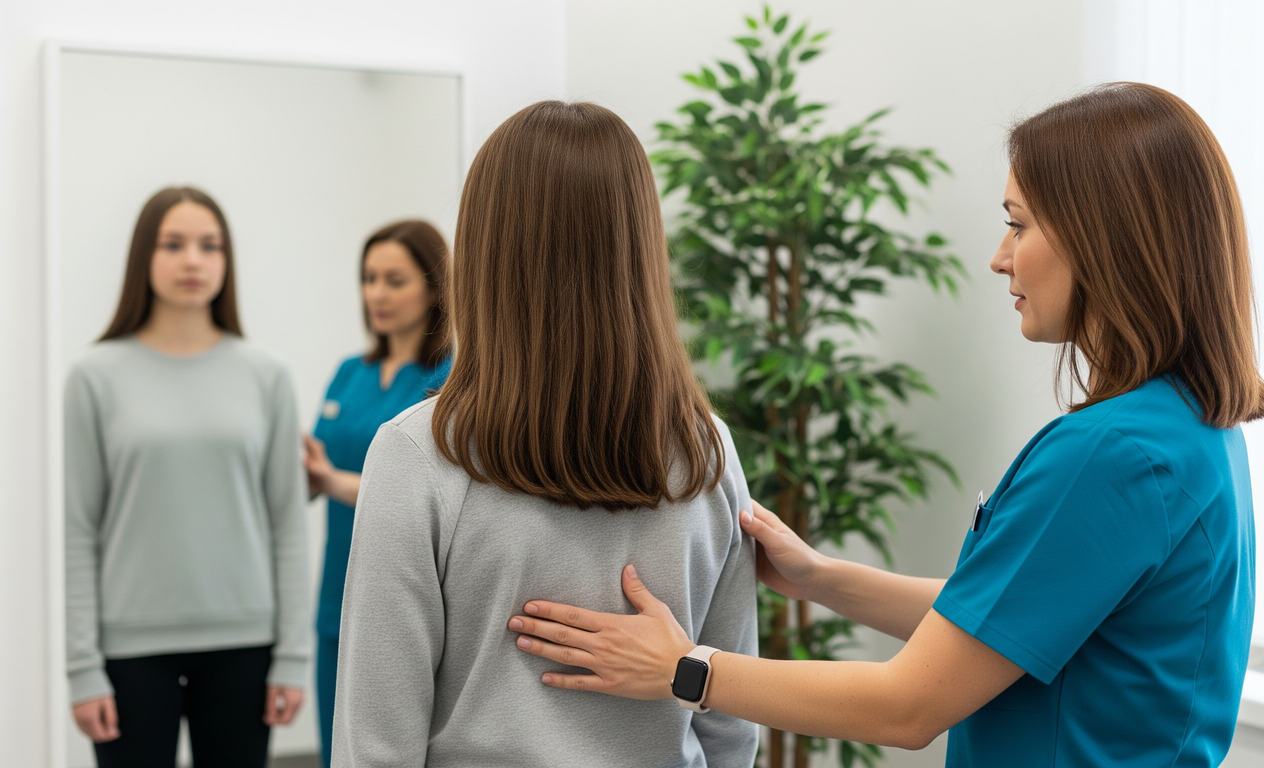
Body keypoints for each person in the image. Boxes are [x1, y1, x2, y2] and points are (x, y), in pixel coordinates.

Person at [507, 82, 1264, 767]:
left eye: (1019, 226)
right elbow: (1004, 615)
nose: (1000, 258)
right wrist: (819, 577)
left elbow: (907, 707)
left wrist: (684, 670)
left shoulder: (1111, 454)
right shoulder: (1191, 429)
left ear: (1105, 240)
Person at [330, 101, 760, 767]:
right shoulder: (708, 452)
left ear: (483, 251)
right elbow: (731, 729)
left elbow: (376, 743)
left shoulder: (418, 454)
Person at [65, 187, 310, 767]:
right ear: (143, 257)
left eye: (210, 245)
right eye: (173, 245)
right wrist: (82, 667)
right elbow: (79, 529)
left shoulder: (267, 375)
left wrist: (292, 656)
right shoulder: (93, 376)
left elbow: (287, 524)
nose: (193, 261)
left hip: (246, 645)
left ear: (227, 260)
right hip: (129, 650)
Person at [301, 219, 452, 767]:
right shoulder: (350, 373)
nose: (377, 294)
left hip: (407, 595)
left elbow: (435, 494)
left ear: (434, 289)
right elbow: (316, 467)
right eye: (369, 279)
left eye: (395, 280)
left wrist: (330, 481)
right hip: (336, 592)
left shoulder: (451, 378)